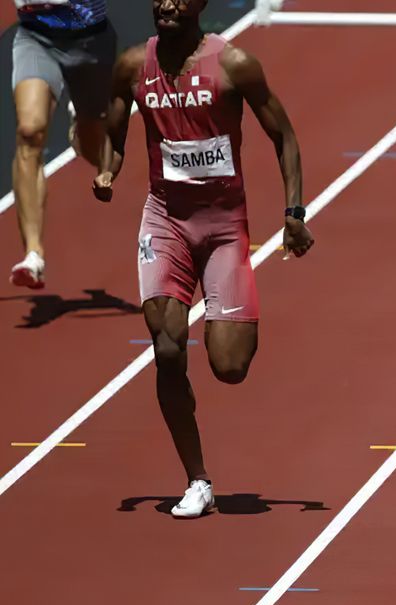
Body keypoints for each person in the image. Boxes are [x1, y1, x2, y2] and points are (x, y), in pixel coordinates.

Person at [94, 0, 313, 518]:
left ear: (200, 5)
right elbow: (114, 126)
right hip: (165, 220)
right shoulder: (132, 66)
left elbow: (283, 135)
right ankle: (197, 479)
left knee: (230, 366)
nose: (167, 4)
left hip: (223, 229)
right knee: (167, 349)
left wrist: (294, 212)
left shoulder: (234, 65)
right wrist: (108, 169)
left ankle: (229, 316)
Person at [9, 0, 116, 289]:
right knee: (29, 132)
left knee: (95, 148)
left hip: (89, 38)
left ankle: (81, 126)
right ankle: (34, 255)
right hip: (35, 35)